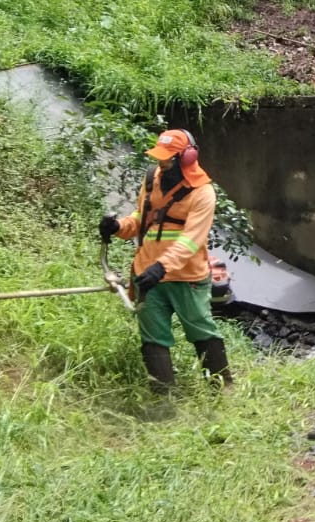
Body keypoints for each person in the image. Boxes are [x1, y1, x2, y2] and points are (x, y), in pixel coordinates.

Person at [99, 128, 232, 393]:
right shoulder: (152, 179)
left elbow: (191, 241)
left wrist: (162, 267)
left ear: (187, 157)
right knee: (153, 338)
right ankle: (163, 400)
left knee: (201, 331)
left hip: (186, 278)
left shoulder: (202, 193)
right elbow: (142, 219)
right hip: (149, 275)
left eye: (168, 158)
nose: (162, 164)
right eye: (160, 158)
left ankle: (221, 390)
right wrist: (118, 226)